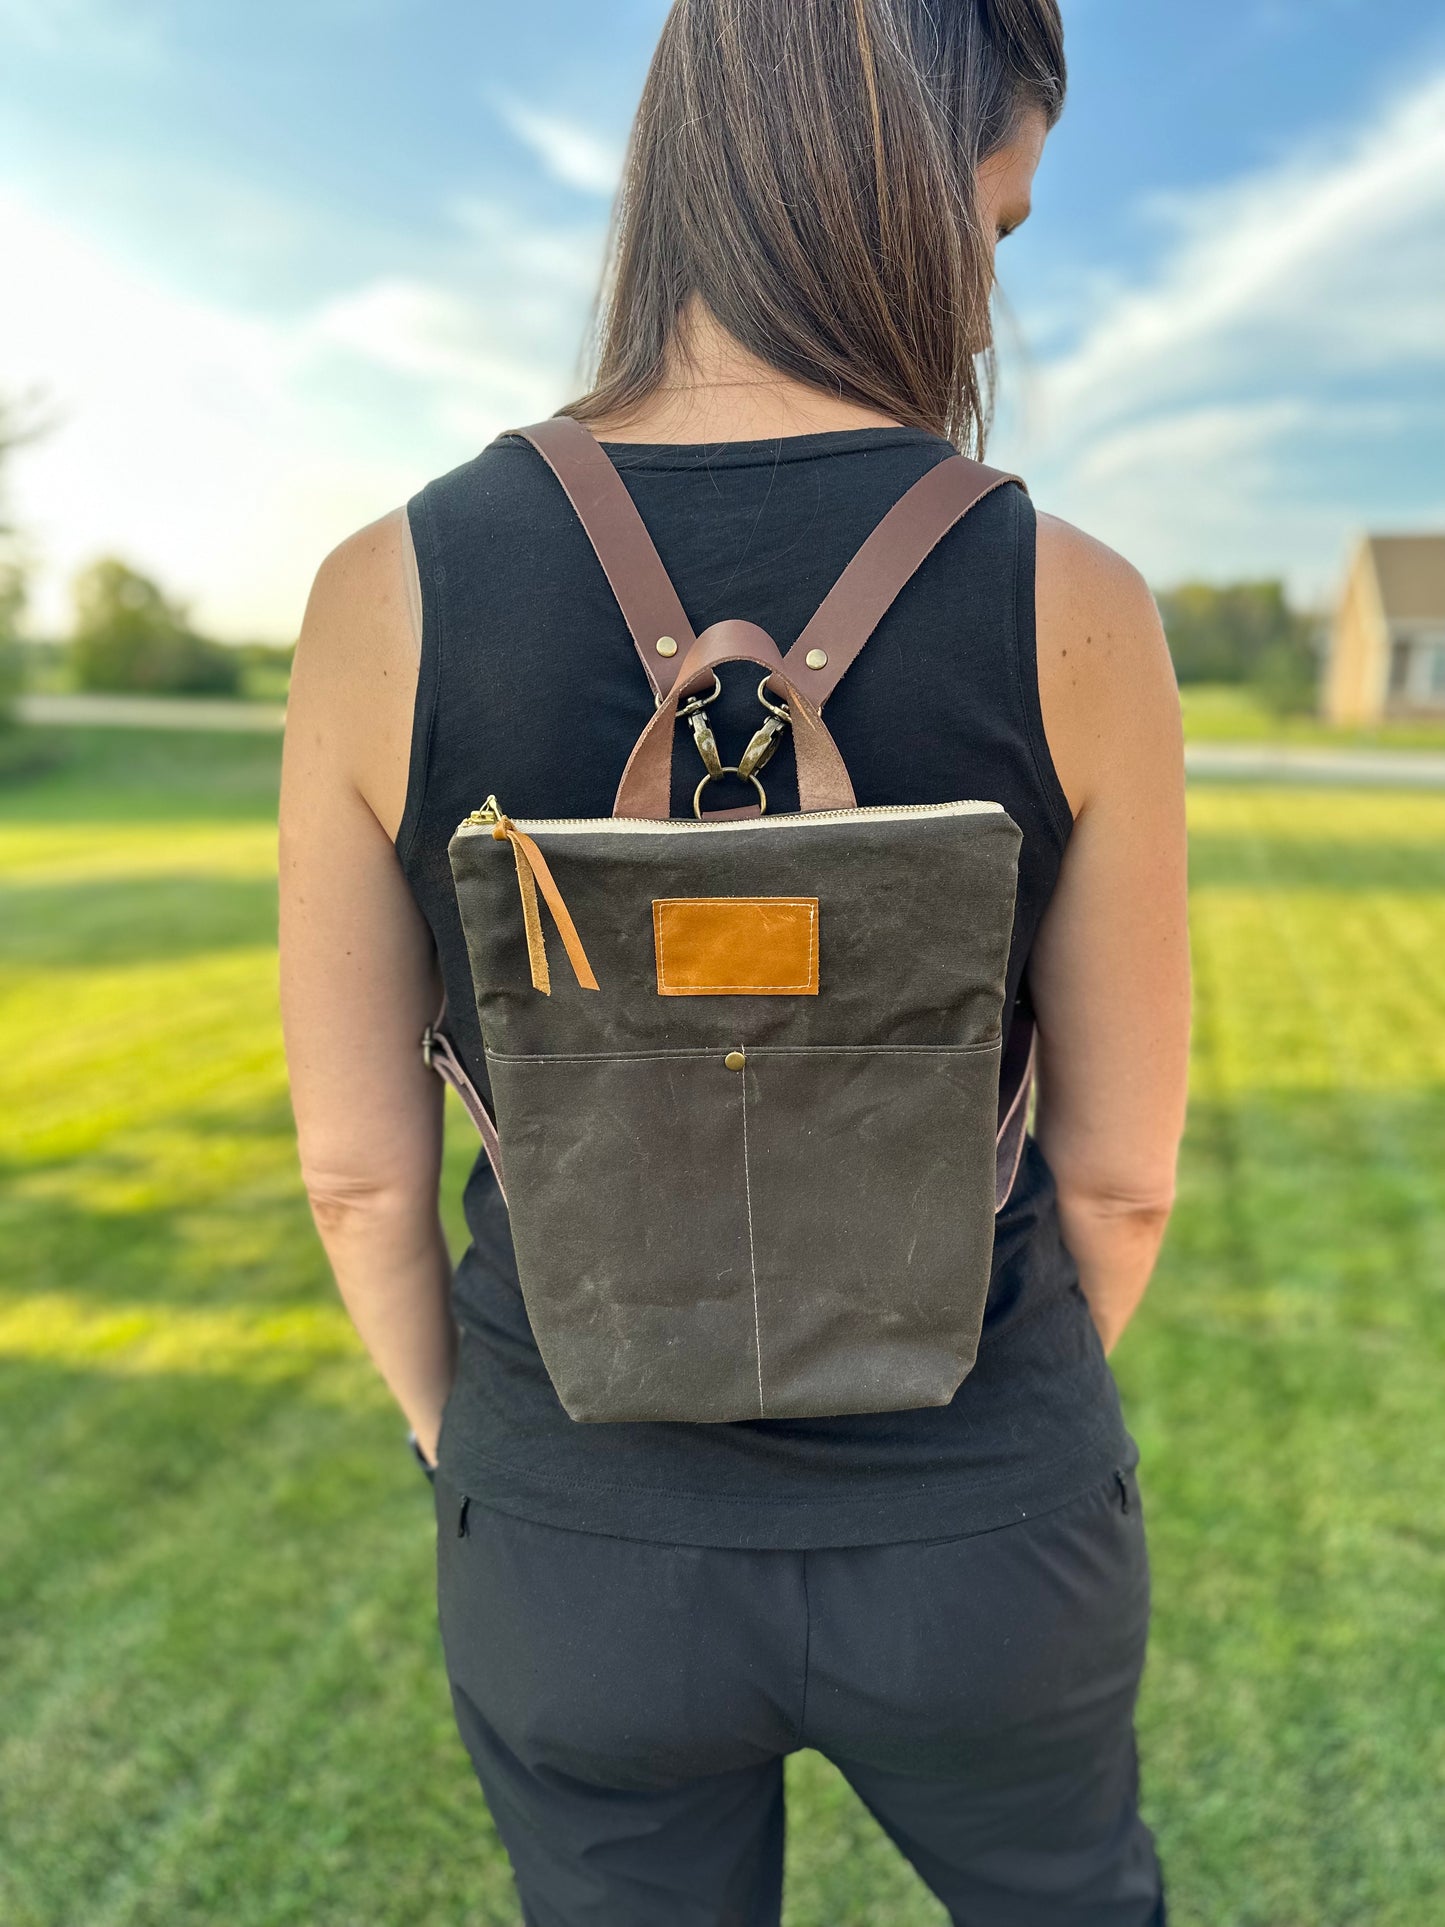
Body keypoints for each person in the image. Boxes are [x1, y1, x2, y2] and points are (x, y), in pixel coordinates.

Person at [278, 0, 1190, 1919]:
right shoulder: (1075, 601)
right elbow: (1114, 1176)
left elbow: (359, 1173)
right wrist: (981, 1430)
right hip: (986, 1532)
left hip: (575, 1545)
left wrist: (496, 1452)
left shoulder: (386, 591)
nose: (980, 309)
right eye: (996, 233)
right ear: (899, 193)